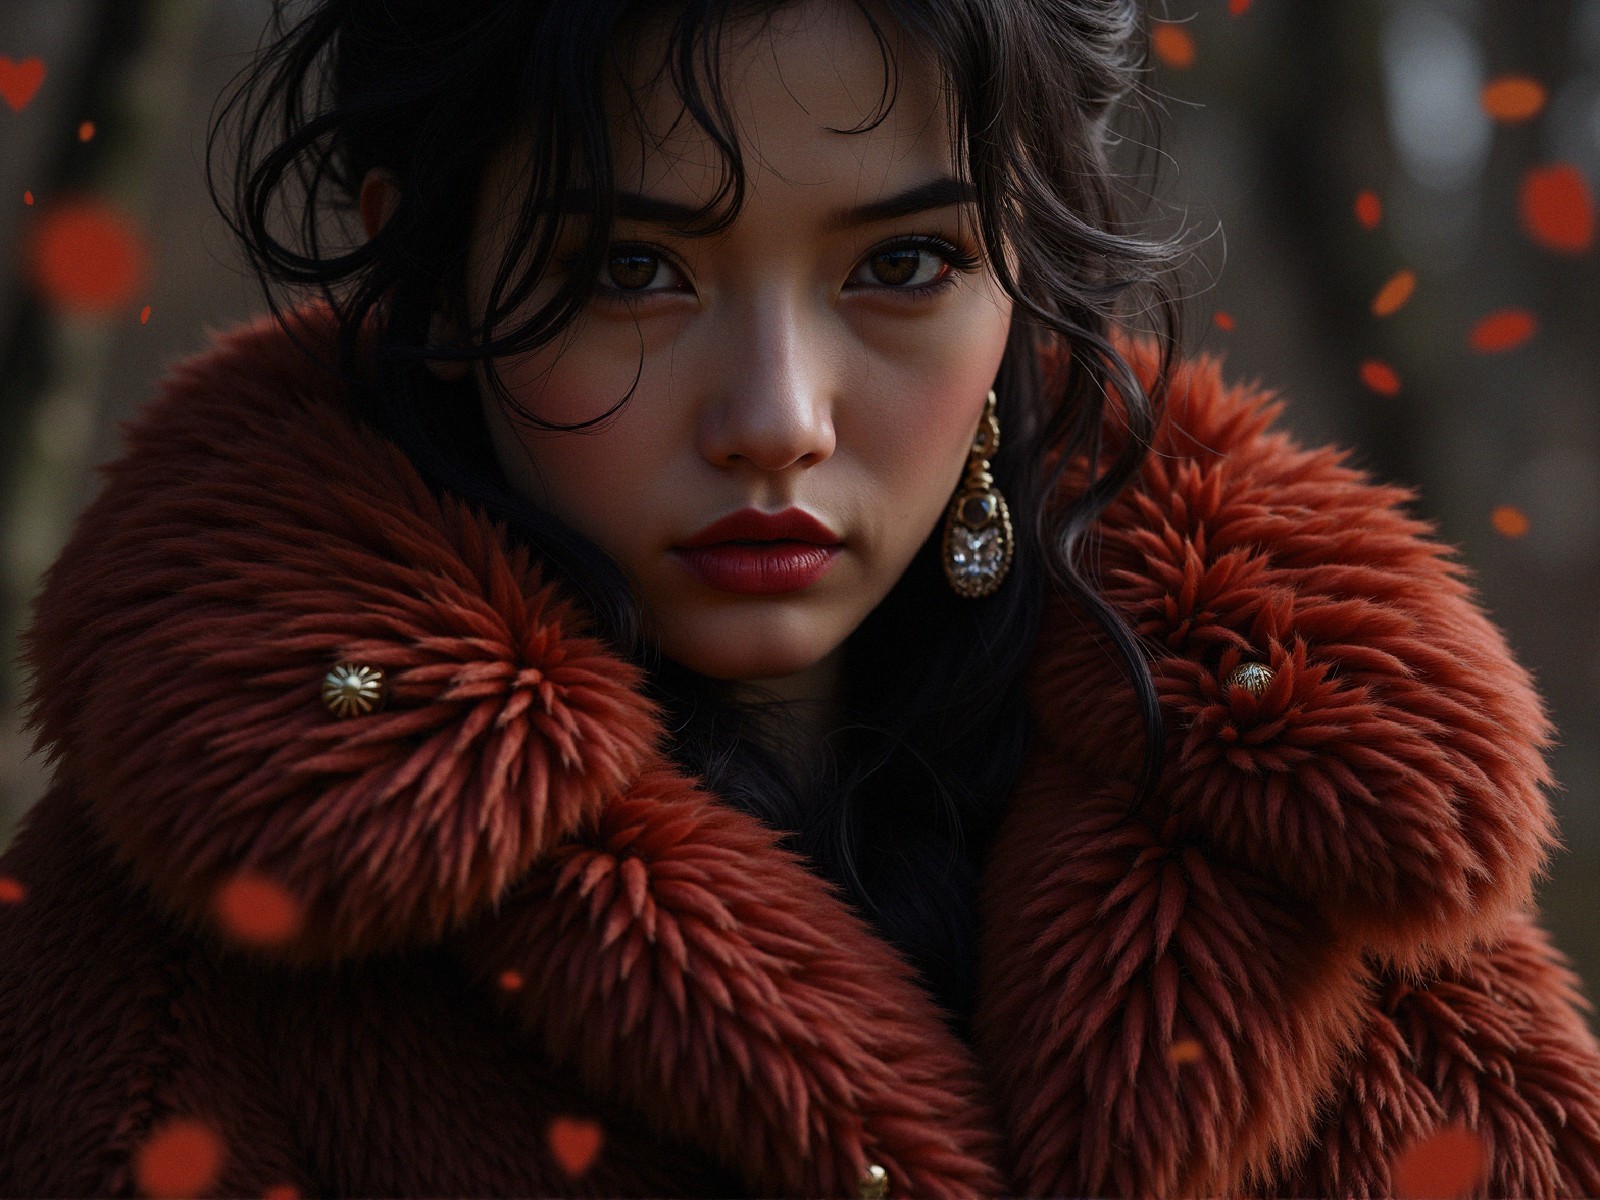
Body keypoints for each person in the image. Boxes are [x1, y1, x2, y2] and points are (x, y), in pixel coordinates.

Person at [2, 0, 1598, 1195]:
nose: (777, 414)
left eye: (899, 267)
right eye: (629, 269)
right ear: (423, 275)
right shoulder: (192, 934)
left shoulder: (1311, 843)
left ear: (1024, 278)